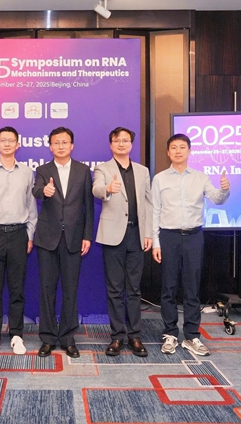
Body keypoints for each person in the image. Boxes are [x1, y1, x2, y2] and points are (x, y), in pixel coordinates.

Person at [152, 133, 230, 357]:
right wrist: (156, 242)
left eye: (182, 147)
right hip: (168, 236)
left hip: (194, 236)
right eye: (174, 147)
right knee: (168, 287)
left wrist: (224, 189)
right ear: (168, 152)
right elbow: (155, 211)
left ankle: (191, 336)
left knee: (192, 287)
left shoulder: (200, 177)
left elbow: (217, 199)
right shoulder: (159, 179)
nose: (178, 151)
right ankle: (170, 334)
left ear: (189, 151)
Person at [33, 127, 94, 358]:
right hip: (47, 238)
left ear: (72, 145)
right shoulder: (43, 170)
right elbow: (36, 191)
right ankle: (48, 338)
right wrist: (45, 191)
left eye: (65, 142)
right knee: (47, 289)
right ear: (50, 146)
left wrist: (87, 235)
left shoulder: (83, 170)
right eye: (56, 143)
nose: (60, 146)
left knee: (70, 289)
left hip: (74, 238)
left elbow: (88, 206)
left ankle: (68, 338)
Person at [93, 127, 153, 357]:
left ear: (131, 144)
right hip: (113, 236)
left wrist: (148, 233)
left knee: (134, 289)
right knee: (115, 289)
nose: (121, 144)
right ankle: (117, 336)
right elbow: (96, 189)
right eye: (117, 140)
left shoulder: (142, 171)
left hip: (136, 234)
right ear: (111, 144)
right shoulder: (102, 168)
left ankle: (135, 336)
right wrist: (108, 189)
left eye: (125, 140)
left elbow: (148, 203)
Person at [0, 126, 37, 355]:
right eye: (3, 140)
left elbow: (31, 206)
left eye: (11, 140)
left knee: (17, 288)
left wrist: (30, 235)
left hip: (18, 234)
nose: (7, 144)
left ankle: (16, 335)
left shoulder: (27, 172)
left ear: (18, 144)